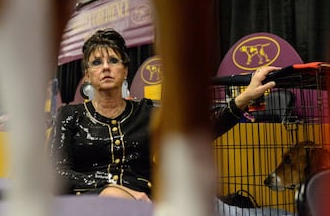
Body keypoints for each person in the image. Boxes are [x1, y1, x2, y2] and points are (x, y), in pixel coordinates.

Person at [49, 28, 279, 203]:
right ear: (87, 75)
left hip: (146, 201)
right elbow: (56, 172)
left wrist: (244, 97)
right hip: (88, 203)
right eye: (97, 63)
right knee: (113, 198)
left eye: (114, 60)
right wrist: (113, 188)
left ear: (126, 70)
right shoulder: (70, 115)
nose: (106, 67)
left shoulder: (146, 113)